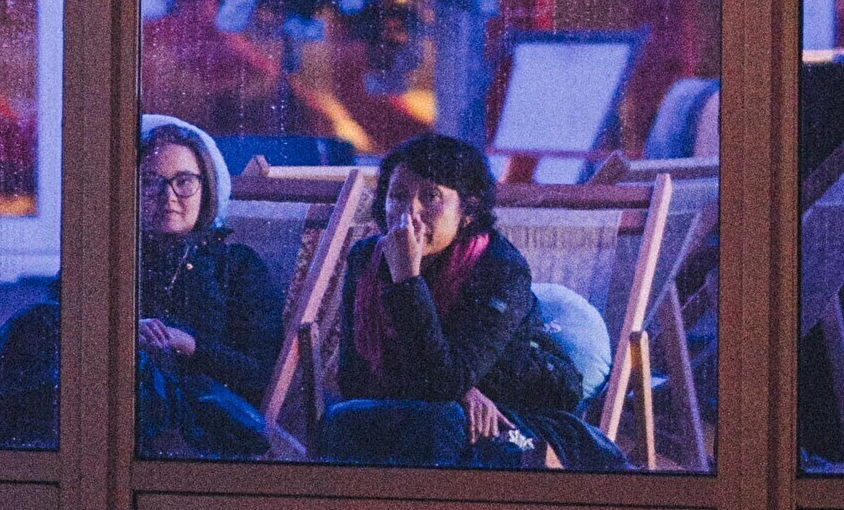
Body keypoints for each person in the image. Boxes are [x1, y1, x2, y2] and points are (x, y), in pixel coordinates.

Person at [317, 131, 600, 467]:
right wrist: (463, 390)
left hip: (517, 408)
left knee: (439, 425)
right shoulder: (366, 259)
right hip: (431, 403)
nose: (410, 212)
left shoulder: (500, 267)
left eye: (431, 196)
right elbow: (354, 380)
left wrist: (406, 280)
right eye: (398, 195)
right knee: (342, 421)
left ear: (468, 210)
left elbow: (443, 382)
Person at [134, 118, 281, 458]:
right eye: (151, 182)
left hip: (204, 419)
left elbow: (259, 375)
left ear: (206, 188)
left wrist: (190, 345)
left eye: (184, 182)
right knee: (40, 320)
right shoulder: (111, 260)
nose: (168, 196)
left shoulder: (238, 266)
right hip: (110, 404)